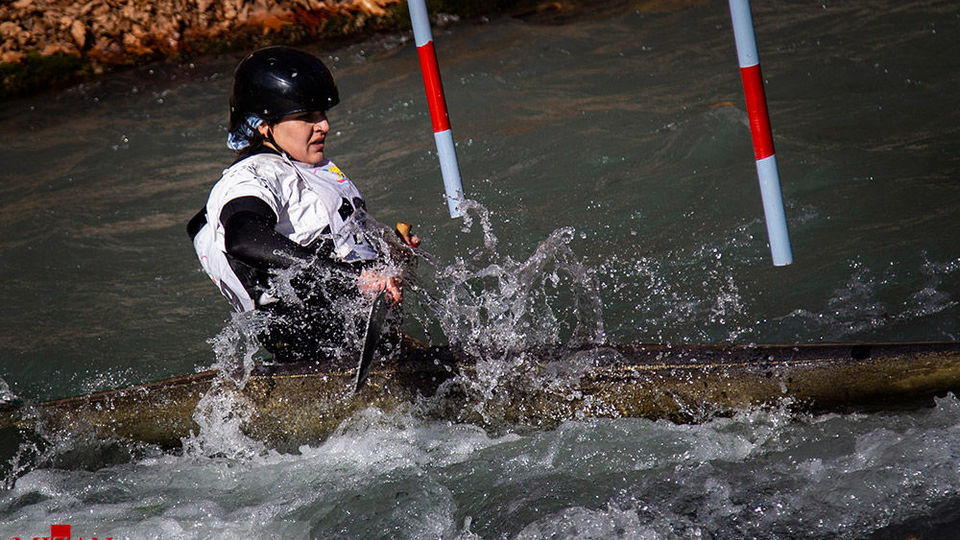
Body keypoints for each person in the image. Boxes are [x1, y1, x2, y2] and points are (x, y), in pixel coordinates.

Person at [187, 46, 419, 363]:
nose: (324, 125)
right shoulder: (251, 176)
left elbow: (341, 237)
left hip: (354, 333)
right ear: (263, 125)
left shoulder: (304, 167)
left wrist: (392, 252)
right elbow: (242, 237)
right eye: (306, 117)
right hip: (313, 341)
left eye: (322, 115)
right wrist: (354, 278)